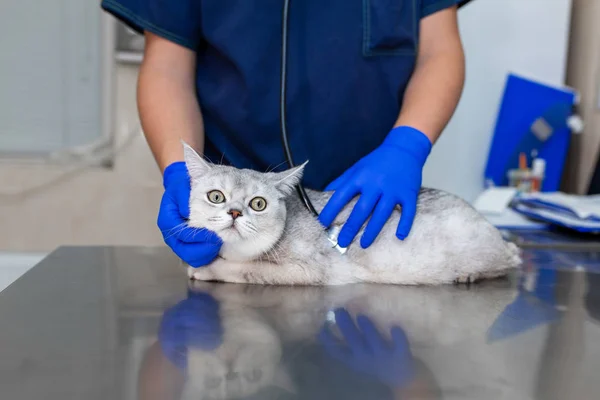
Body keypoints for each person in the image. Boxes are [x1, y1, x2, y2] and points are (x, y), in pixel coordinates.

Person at [101, 0, 465, 267]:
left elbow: (439, 49)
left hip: (367, 203)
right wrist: (179, 171)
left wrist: (407, 146)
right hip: (231, 225)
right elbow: (167, 66)